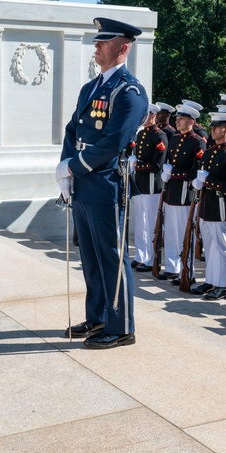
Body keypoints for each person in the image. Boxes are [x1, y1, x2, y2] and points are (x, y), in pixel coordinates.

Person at [57, 18, 147, 348]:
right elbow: (73, 130)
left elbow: (113, 141)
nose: (96, 46)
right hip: (83, 182)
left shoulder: (130, 91)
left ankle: (121, 326)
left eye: (103, 42)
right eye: (97, 41)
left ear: (122, 48)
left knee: (111, 256)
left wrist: (75, 167)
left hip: (107, 183)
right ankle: (97, 318)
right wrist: (65, 166)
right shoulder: (91, 87)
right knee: (91, 257)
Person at [192, 111, 226, 300]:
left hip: (221, 207)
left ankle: (224, 285)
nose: (212, 131)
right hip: (207, 205)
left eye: (216, 127)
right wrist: (199, 182)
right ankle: (211, 280)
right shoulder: (210, 152)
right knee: (210, 246)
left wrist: (209, 181)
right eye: (212, 127)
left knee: (222, 247)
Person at [160, 103, 207, 282]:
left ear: (191, 121)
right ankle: (172, 267)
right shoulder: (175, 138)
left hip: (184, 193)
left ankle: (187, 271)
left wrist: (173, 172)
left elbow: (196, 171)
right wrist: (167, 171)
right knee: (171, 232)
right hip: (172, 191)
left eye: (181, 119)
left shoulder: (197, 141)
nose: (177, 121)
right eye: (177, 119)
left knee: (183, 233)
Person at [128, 103, 166, 272]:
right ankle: (140, 255)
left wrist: (138, 164)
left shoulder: (159, 136)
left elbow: (157, 165)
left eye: (146, 115)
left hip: (151, 185)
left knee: (150, 224)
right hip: (140, 184)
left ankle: (151, 259)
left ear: (153, 116)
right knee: (140, 222)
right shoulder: (141, 133)